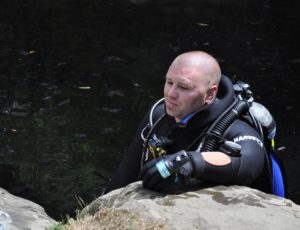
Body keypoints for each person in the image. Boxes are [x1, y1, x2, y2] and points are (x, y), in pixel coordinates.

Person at [104, 51, 270, 194]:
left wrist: (191, 161)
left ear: (210, 94)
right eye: (169, 82)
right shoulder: (158, 115)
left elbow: (248, 164)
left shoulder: (235, 127)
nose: (170, 94)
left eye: (184, 87)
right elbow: (127, 171)